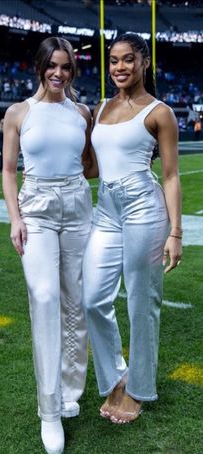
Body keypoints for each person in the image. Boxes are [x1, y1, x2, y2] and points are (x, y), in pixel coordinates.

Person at [2, 37, 97, 454]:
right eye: (52, 66)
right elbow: (7, 170)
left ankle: (70, 392)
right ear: (39, 67)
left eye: (67, 68)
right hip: (36, 208)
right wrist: (15, 218)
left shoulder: (81, 113)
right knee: (44, 297)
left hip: (78, 205)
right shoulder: (18, 113)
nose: (59, 74)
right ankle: (49, 411)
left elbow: (91, 165)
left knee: (77, 302)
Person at [83, 33, 182, 425]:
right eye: (113, 61)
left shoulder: (160, 112)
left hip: (144, 205)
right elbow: (91, 167)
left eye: (127, 60)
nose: (119, 68)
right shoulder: (100, 107)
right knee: (93, 298)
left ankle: (138, 388)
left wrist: (176, 232)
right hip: (105, 208)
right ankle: (114, 375)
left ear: (144, 63)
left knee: (142, 301)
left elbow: (172, 176)